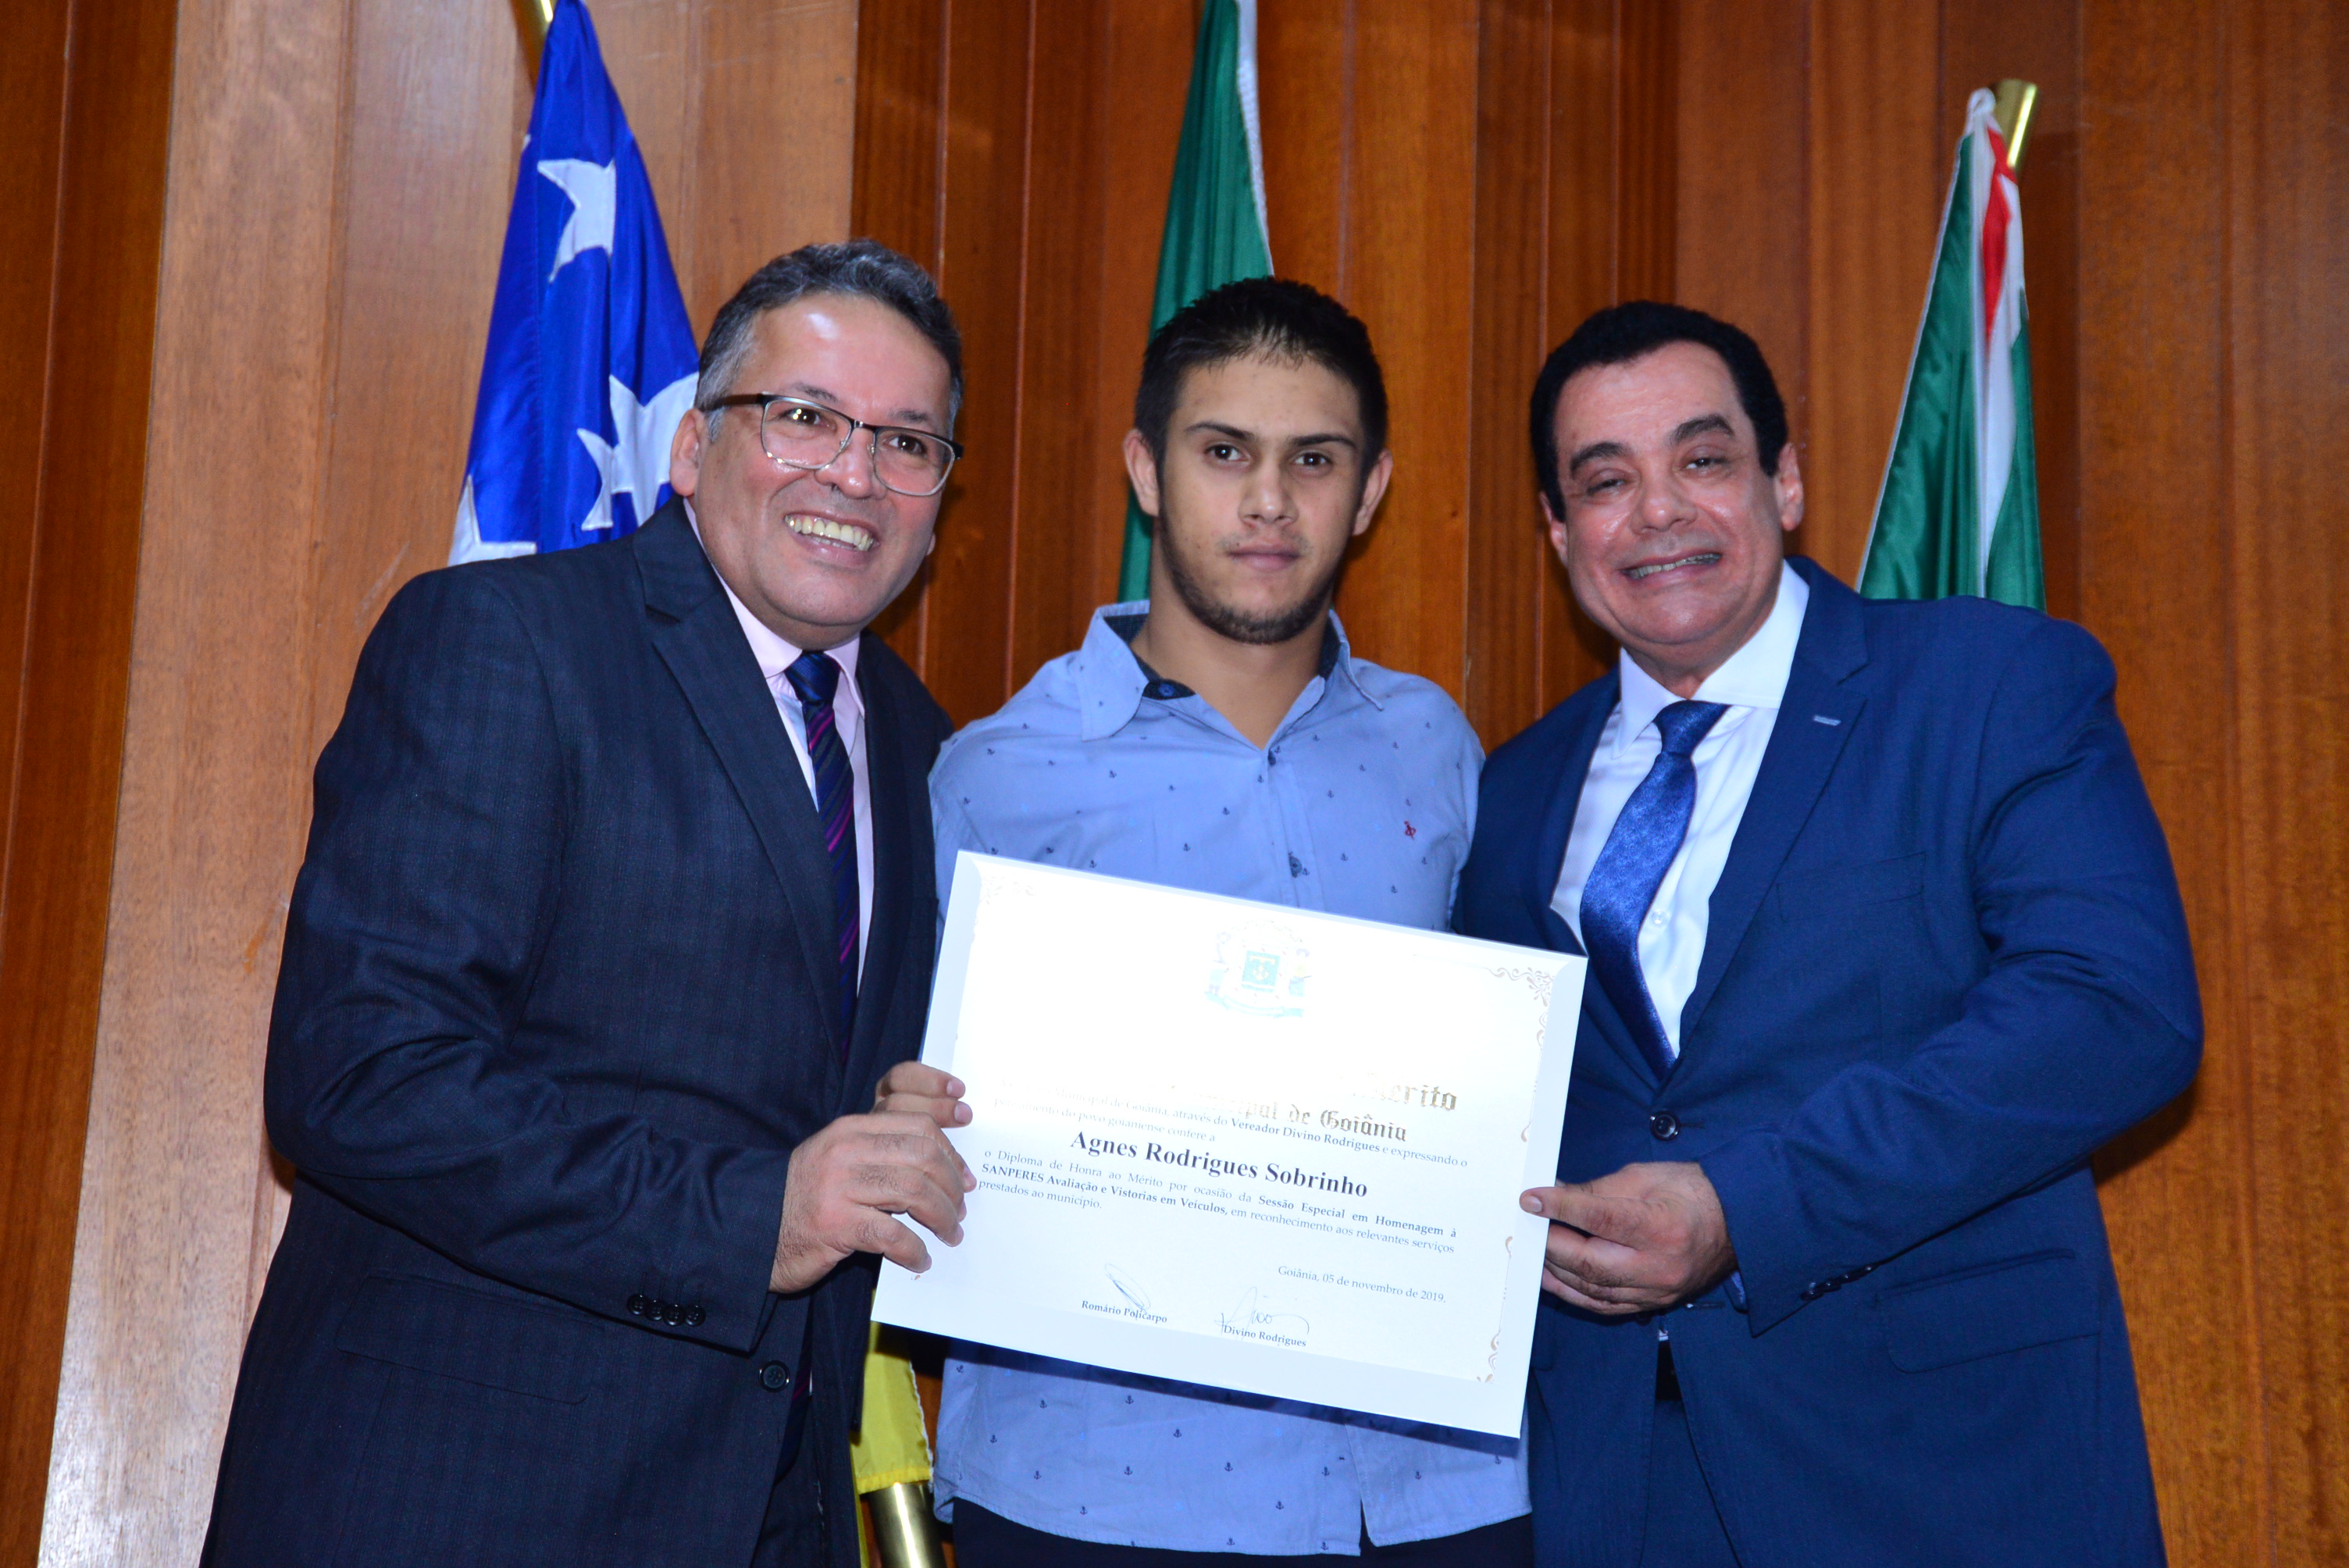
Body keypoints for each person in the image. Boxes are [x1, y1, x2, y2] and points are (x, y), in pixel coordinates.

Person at [203, 241, 977, 1568]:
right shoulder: (506, 642)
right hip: (453, 1506)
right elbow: (361, 1077)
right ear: (692, 447)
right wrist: (754, 1216)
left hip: (762, 1516)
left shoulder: (923, 748)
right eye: (804, 417)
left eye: (907, 442)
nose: (855, 474)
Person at [1456, 301, 2199, 1566]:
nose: (1659, 512)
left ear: (1785, 482)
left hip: (1943, 1476)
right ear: (1560, 530)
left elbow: (2112, 1009)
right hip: (1619, 1487)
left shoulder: (1987, 684)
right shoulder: (1512, 789)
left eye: (1703, 459)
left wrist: (1746, 1206)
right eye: (1606, 482)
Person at [927, 277, 1531, 1566]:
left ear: (1369, 492)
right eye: (1223, 453)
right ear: (1147, 471)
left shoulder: (1434, 746)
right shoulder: (994, 776)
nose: (1269, 500)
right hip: (1099, 1494)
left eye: (1314, 460)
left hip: (1431, 1489)